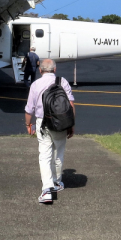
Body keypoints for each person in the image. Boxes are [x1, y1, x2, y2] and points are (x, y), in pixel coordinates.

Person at [24, 58, 75, 204]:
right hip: (61, 122)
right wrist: (71, 124)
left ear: (40, 70)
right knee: (58, 152)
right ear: (55, 69)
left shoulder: (36, 84)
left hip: (42, 122)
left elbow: (29, 109)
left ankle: (47, 189)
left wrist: (28, 124)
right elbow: (70, 104)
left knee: (44, 154)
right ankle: (57, 182)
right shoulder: (62, 81)